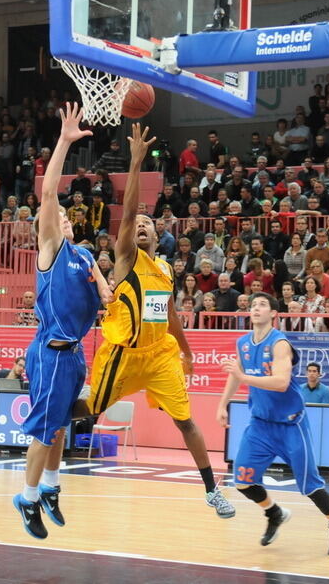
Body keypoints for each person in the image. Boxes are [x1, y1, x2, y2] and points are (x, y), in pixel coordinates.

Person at [79, 122, 235, 520]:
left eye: (150, 224)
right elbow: (129, 211)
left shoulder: (164, 268)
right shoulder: (127, 257)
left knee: (186, 422)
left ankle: (212, 489)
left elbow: (166, 315)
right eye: (139, 224)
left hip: (159, 353)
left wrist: (186, 351)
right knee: (87, 409)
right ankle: (47, 415)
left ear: (158, 234)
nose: (143, 225)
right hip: (124, 353)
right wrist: (135, 163)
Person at [11, 103, 112, 540]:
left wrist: (108, 293)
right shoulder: (50, 250)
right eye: (59, 217)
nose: (65, 218)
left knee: (62, 428)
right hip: (51, 352)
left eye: (70, 217)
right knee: (45, 430)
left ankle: (51, 488)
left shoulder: (85, 255)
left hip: (74, 355)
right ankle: (28, 496)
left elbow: (104, 294)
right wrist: (65, 142)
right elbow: (50, 193)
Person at [216, 292, 329, 552]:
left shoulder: (280, 343)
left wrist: (242, 377)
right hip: (260, 425)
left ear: (273, 313)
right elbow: (236, 376)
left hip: (290, 425)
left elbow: (280, 382)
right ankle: (274, 512)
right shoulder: (243, 342)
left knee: (310, 485)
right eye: (253, 304)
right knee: (242, 480)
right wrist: (223, 404)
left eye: (262, 304)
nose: (256, 308)